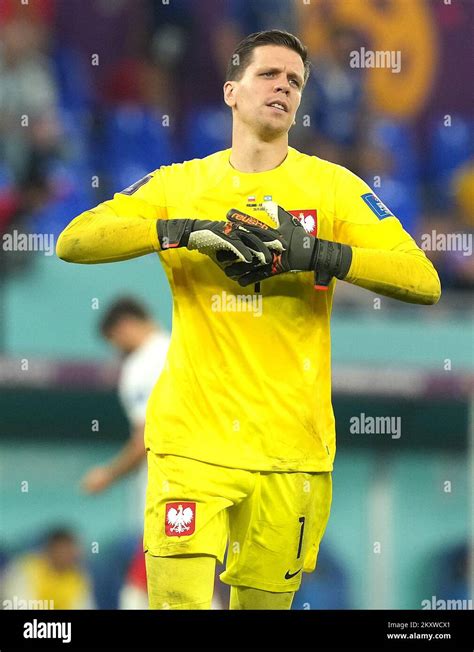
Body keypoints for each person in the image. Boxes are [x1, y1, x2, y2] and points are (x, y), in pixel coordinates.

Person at [56, 30, 441, 610]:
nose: (283, 86)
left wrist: (318, 253)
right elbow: (73, 241)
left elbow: (424, 281)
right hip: (190, 444)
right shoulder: (180, 185)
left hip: (292, 451)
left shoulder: (333, 189)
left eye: (294, 81)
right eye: (270, 74)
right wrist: (179, 230)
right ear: (232, 91)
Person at [80, 297, 170, 609]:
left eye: (114, 341)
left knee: (138, 596)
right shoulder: (182, 348)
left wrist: (108, 474)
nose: (116, 350)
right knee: (196, 584)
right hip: (211, 482)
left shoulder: (142, 363)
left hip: (166, 489)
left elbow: (147, 437)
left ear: (125, 326)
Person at [1, 528, 94, 609]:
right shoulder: (25, 569)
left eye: (73, 550)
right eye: (65, 549)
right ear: (51, 548)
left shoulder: (77, 577)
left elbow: (84, 606)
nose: (71, 555)